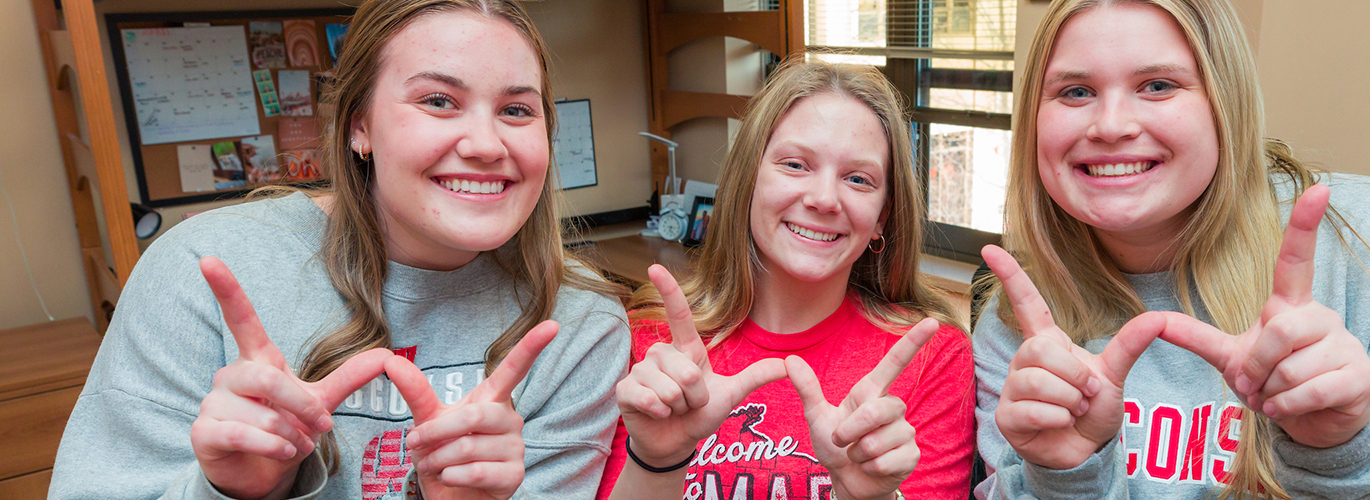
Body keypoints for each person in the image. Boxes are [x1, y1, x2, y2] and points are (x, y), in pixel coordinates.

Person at [972, 0, 1370, 498]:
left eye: (1158, 86)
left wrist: (1359, 442)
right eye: (1075, 92)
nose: (1109, 125)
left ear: (1225, 105)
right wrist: (1061, 479)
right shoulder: (1020, 320)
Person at [50, 1, 629, 498]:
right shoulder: (202, 270)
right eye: (438, 101)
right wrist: (231, 489)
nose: (485, 144)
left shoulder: (579, 324)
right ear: (359, 127)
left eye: (516, 110)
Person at [597, 59, 976, 500]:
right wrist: (658, 463)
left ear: (882, 217)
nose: (823, 199)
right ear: (749, 181)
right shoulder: (651, 343)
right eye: (796, 165)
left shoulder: (933, 355)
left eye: (858, 178)